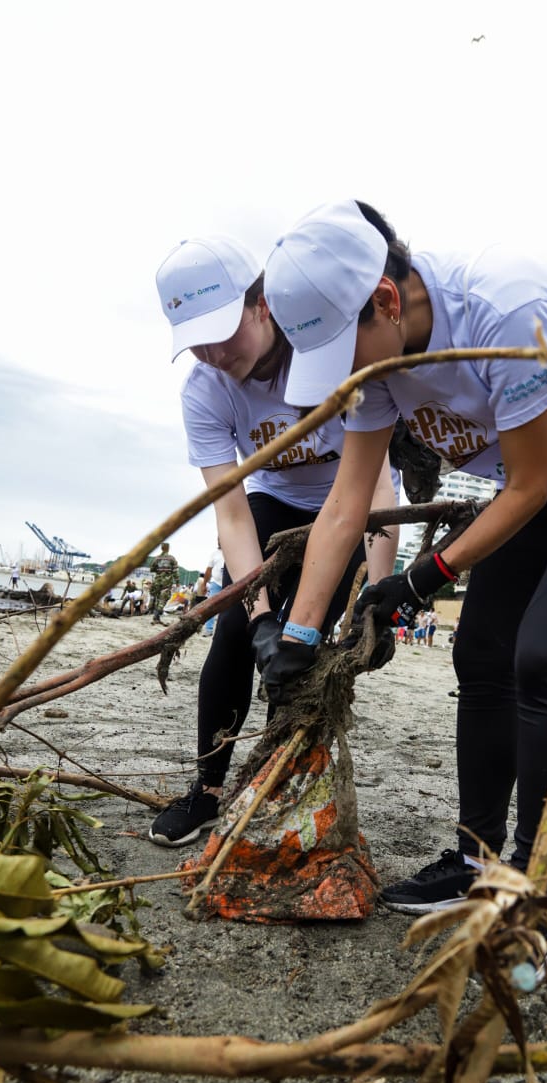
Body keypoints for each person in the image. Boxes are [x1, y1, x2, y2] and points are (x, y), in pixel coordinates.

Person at [260, 198, 547, 961]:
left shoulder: (501, 310)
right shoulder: (383, 356)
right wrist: (296, 633)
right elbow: (347, 498)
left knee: (542, 652)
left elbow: (527, 486)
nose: (347, 376)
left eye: (346, 350)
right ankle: (474, 857)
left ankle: (536, 882)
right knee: (481, 654)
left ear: (386, 301)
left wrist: (421, 578)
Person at [147, 234, 399, 847]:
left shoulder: (325, 356)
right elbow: (231, 515)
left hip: (347, 508)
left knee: (301, 651)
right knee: (236, 633)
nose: (211, 351)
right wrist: (256, 614)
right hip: (270, 502)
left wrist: (381, 595)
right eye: (196, 340)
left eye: (222, 329)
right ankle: (208, 791)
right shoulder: (205, 391)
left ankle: (275, 784)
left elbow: (380, 491)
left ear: (262, 303)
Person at [151, 542, 180, 625]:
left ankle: (156, 618)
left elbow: (152, 569)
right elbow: (175, 571)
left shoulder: (157, 558)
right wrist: (177, 582)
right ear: (168, 548)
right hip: (166, 582)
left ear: (161, 548)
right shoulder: (172, 559)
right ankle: (156, 616)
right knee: (164, 599)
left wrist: (160, 570)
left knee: (158, 599)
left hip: (157, 581)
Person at [202, 541, 225, 636]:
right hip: (216, 583)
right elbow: (208, 570)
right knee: (211, 606)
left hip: (230, 583)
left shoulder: (233, 550)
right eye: (218, 539)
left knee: (228, 608)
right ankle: (208, 629)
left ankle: (223, 630)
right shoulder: (215, 554)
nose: (219, 541)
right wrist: (204, 584)